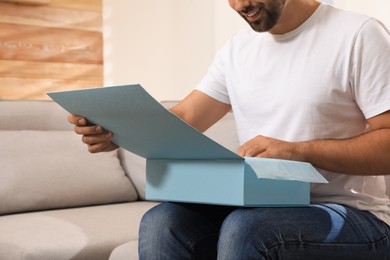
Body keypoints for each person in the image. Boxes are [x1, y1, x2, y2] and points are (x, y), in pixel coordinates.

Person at [68, 0, 390, 258]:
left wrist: (298, 151)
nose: (239, 5)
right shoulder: (238, 48)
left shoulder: (358, 34)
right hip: (262, 205)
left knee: (247, 228)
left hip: (353, 214)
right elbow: (184, 117)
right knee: (161, 221)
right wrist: (118, 132)